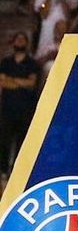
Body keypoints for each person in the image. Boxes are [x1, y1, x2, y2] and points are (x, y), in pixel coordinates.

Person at [0, 30, 39, 176]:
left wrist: (12, 79)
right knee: (4, 140)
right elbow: (3, 82)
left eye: (23, 39)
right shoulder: (6, 62)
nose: (20, 41)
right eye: (18, 39)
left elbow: (32, 83)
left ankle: (18, 173)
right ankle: (3, 170)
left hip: (25, 108)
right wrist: (21, 82)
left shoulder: (32, 63)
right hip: (7, 107)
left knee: (22, 142)